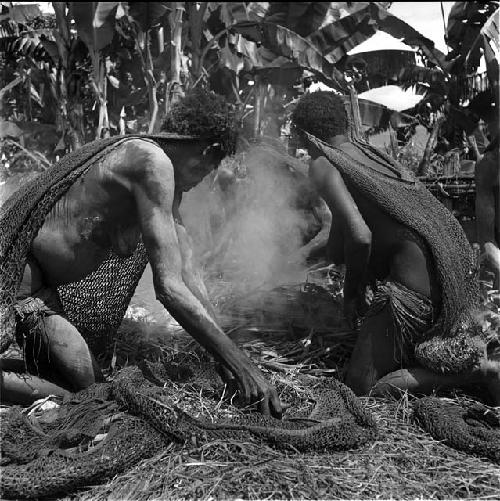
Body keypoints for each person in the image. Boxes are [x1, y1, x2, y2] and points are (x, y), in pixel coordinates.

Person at [0, 89, 282, 417]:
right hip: (13, 282)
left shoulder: (163, 175)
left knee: (94, 390)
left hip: (43, 299)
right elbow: (169, 288)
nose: (201, 181)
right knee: (93, 397)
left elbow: (186, 270)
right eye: (207, 171)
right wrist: (245, 368)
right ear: (205, 151)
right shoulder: (151, 162)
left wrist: (224, 357)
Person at [290, 91, 500, 403]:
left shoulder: (323, 163)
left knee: (362, 387)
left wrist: (350, 297)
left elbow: (360, 237)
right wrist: (294, 262)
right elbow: (340, 238)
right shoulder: (369, 156)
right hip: (450, 275)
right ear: (344, 125)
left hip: (412, 293)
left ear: (305, 134)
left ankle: (479, 371)